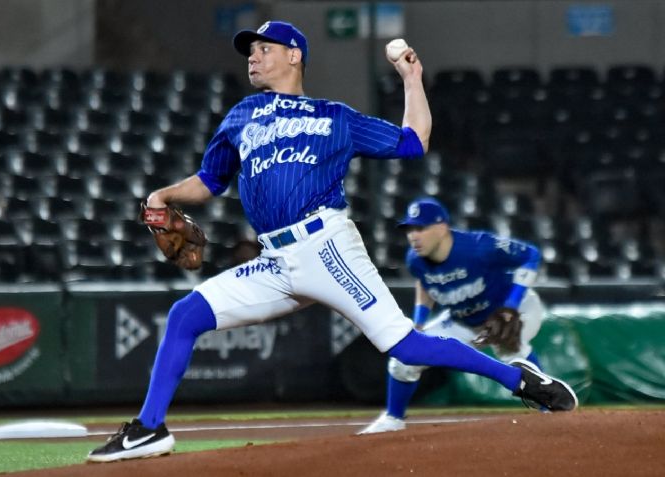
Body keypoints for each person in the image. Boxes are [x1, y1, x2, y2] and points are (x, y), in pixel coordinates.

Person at [87, 20, 577, 463]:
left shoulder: (334, 116)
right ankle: (149, 429)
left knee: (405, 346)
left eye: (263, 48)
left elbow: (413, 141)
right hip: (275, 259)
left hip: (326, 245)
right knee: (184, 316)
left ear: (294, 55)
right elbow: (208, 182)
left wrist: (411, 80)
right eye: (250, 51)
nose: (252, 57)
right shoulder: (242, 116)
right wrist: (162, 194)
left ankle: (521, 379)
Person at [358, 197, 550, 434]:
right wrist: (419, 321)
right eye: (409, 229)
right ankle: (393, 418)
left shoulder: (479, 247)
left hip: (516, 309)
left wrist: (511, 305)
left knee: (510, 347)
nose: (413, 236)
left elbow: (530, 255)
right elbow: (426, 284)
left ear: (441, 227)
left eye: (420, 228)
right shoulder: (415, 260)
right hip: (465, 320)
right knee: (404, 361)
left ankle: (548, 409)